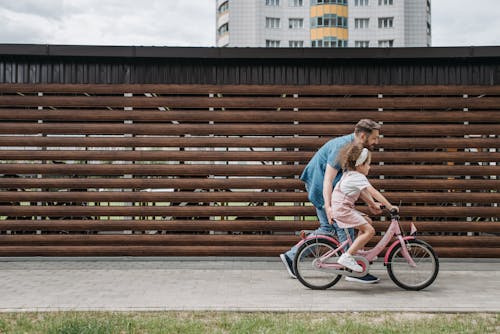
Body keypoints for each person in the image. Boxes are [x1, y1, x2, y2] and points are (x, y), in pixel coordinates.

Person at [280, 119, 382, 283]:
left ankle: (292, 256)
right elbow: (328, 180)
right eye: (375, 138)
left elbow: (353, 181)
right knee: (343, 225)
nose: (376, 142)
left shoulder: (356, 148)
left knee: (328, 228)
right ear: (363, 136)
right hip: (320, 185)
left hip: (327, 187)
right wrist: (328, 207)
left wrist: (371, 203)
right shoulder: (342, 147)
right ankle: (349, 268)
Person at [333, 144, 398, 272]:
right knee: (370, 231)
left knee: (367, 221)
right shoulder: (357, 176)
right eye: (367, 163)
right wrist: (390, 206)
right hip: (343, 210)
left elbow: (363, 192)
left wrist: (372, 204)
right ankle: (347, 256)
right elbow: (372, 191)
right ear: (360, 164)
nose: (369, 166)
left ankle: (357, 251)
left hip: (343, 208)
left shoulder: (350, 174)